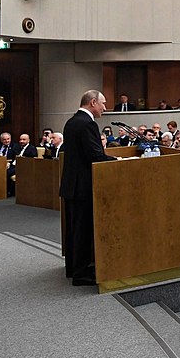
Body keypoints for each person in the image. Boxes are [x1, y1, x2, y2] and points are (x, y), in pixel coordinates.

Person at [58, 90, 117, 286]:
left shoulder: (72, 121)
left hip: (71, 185)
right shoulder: (87, 123)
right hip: (82, 186)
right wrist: (118, 160)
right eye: (103, 103)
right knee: (82, 231)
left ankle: (75, 269)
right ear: (93, 102)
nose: (105, 108)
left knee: (74, 230)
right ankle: (81, 275)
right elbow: (94, 155)